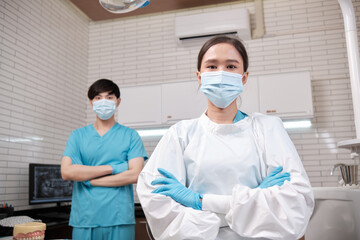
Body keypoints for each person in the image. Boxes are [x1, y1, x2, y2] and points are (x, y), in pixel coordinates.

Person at [136, 36, 314, 240]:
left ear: (244, 76)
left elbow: (297, 203)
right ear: (199, 76)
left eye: (231, 66)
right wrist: (250, 202)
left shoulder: (268, 128)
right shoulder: (180, 134)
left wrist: (199, 202)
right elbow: (157, 202)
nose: (221, 74)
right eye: (211, 67)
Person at [61, 79, 148, 240]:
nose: (104, 102)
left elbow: (135, 175)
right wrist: (115, 168)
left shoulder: (130, 136)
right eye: (98, 97)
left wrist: (90, 180)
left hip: (119, 218)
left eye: (109, 97)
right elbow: (67, 172)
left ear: (118, 101)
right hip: (85, 219)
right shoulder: (78, 136)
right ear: (91, 102)